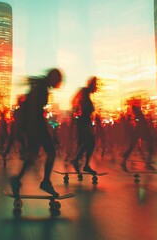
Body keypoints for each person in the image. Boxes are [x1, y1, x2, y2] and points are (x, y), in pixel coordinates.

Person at [10, 68, 63, 197]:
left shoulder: (41, 86)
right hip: (35, 125)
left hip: (33, 125)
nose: (59, 83)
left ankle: (17, 180)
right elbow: (33, 109)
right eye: (58, 80)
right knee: (51, 152)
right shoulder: (41, 88)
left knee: (33, 155)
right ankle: (45, 182)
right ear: (53, 78)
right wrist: (34, 129)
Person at [71, 76, 98, 174]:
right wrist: (76, 113)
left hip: (85, 122)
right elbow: (74, 102)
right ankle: (79, 162)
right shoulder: (84, 92)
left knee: (89, 143)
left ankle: (79, 161)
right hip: (83, 122)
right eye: (95, 84)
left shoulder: (87, 94)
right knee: (89, 143)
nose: (96, 87)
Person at [120, 102, 156, 171]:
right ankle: (147, 163)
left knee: (132, 148)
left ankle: (123, 162)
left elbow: (141, 123)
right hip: (141, 133)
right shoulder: (138, 115)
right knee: (150, 146)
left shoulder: (137, 115)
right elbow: (142, 124)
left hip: (139, 133)